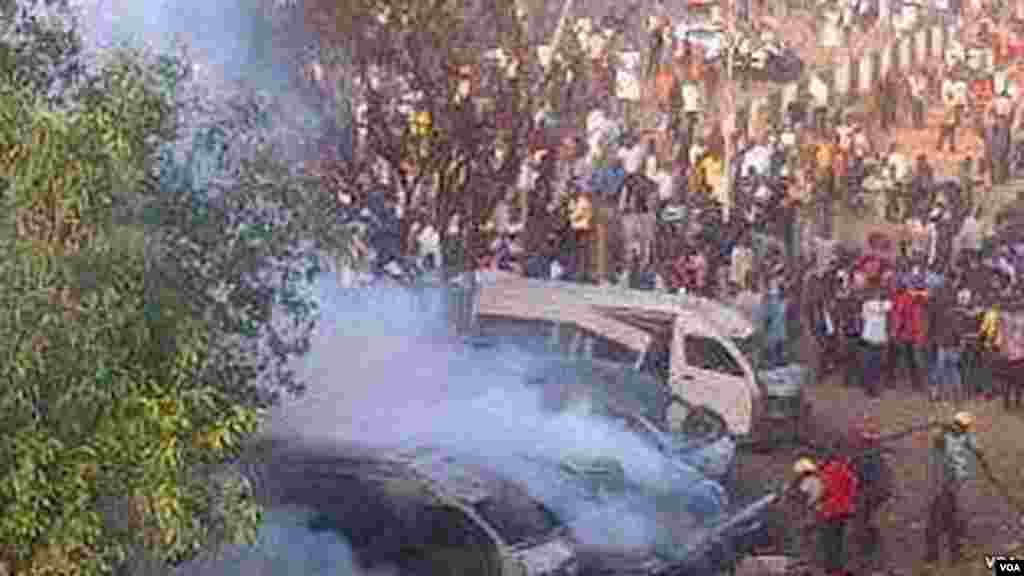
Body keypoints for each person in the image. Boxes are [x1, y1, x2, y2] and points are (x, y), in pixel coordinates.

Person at [925, 412, 994, 565]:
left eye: (964, 427)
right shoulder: (943, 437)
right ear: (954, 423)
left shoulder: (965, 436)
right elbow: (937, 439)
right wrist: (943, 429)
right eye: (959, 425)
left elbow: (977, 448)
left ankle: (953, 555)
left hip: (954, 486)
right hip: (941, 486)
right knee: (939, 520)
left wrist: (982, 459)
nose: (961, 429)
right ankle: (934, 555)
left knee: (953, 520)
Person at [817, 441, 859, 576]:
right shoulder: (844, 469)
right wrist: (848, 500)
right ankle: (838, 569)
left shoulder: (826, 471)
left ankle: (831, 569)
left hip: (829, 511)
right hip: (843, 511)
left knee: (829, 542)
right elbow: (853, 485)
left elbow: (822, 491)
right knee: (839, 541)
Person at [860, 283, 893, 397]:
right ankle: (870, 388)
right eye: (877, 292)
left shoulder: (870, 304)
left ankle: (872, 388)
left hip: (874, 337)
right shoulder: (869, 304)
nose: (878, 294)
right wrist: (880, 301)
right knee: (872, 364)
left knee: (875, 365)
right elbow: (883, 307)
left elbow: (888, 306)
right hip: (872, 338)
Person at [569, 187, 594, 283]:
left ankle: (584, 273)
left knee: (583, 251)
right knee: (575, 250)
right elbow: (571, 213)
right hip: (574, 228)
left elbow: (586, 214)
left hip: (584, 228)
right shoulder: (572, 201)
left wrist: (576, 216)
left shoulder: (584, 201)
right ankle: (576, 272)